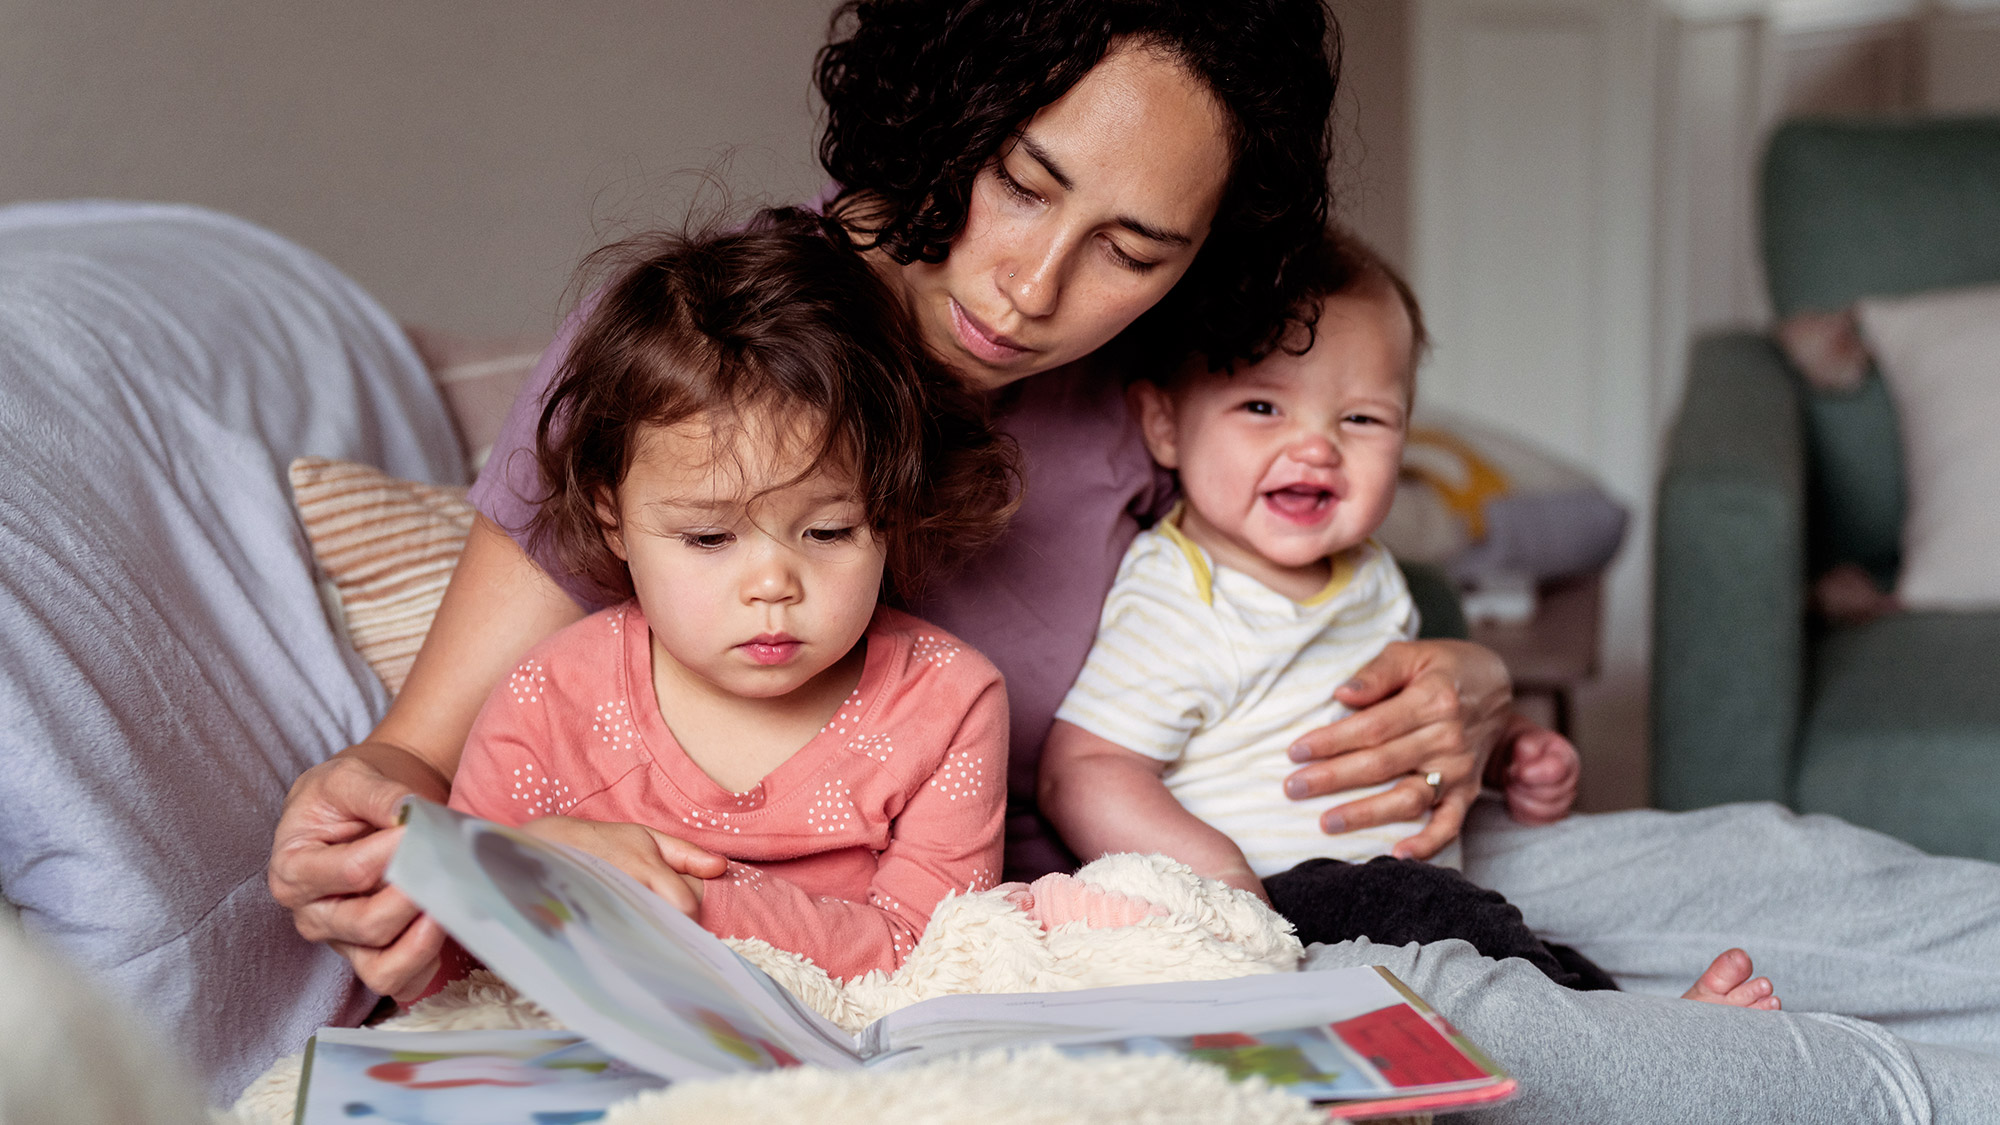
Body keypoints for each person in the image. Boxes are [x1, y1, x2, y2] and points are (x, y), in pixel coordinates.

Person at [267, 2, 2000, 1119]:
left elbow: (1292, 587)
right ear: (951, 104)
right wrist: (375, 833)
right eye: (1022, 186)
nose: (1031, 290)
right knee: (1583, 1059)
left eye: (1132, 251)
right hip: (1108, 941)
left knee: (1832, 884)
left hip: (1318, 836)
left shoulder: (1156, 388)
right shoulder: (708, 355)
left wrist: (1463, 681)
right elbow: (430, 761)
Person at [1038, 226, 1775, 1007]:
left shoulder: (1370, 573)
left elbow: (1410, 722)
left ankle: (1636, 1031)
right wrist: (1223, 880)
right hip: (1284, 901)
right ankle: (1633, 1043)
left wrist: (1508, 751)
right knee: (1453, 920)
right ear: (1163, 425)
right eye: (1261, 406)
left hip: (1402, 889)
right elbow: (1083, 770)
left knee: (1509, 939)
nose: (1316, 447)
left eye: (1360, 420)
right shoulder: (1184, 593)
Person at [446, 210, 1017, 981]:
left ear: (890, 511)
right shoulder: (552, 698)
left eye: (829, 532)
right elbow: (444, 956)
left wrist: (674, 900)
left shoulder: (946, 704)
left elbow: (943, 959)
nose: (774, 584)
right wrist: (529, 872)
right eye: (710, 539)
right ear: (615, 520)